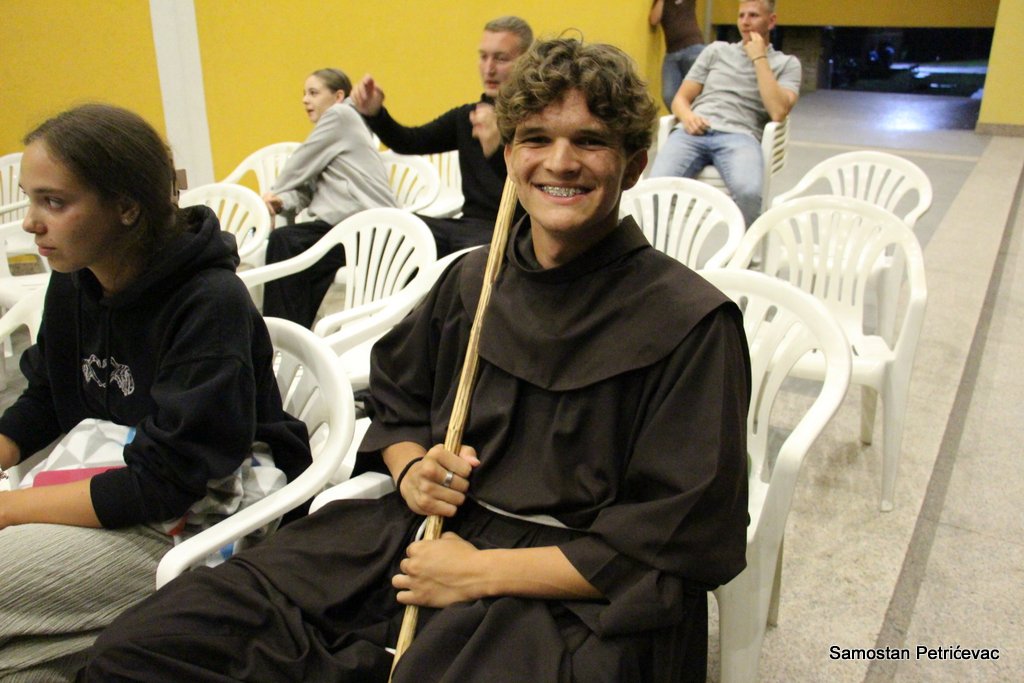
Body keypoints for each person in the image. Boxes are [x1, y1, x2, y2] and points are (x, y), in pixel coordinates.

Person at [81, 37, 750, 682]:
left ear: (633, 164)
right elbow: (397, 404)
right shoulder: (472, 283)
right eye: (536, 139)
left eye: (590, 141)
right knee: (158, 645)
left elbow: (679, 536)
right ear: (510, 155)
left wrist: (481, 573)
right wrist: (412, 470)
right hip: (419, 535)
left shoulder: (690, 323)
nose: (560, 162)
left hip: (571, 591)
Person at [0, 104, 311, 678]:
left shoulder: (208, 302)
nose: (31, 224)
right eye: (29, 200)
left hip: (198, 517)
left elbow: (166, 481)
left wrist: (9, 509)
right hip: (112, 486)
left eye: (54, 202)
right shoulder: (74, 282)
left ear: (126, 207)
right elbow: (46, 395)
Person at [351, 16, 532, 257]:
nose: (489, 68)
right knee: (390, 231)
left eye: (501, 58)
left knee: (474, 253)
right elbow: (409, 141)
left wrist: (499, 151)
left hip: (512, 230)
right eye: (483, 57)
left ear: (526, 62)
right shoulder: (468, 116)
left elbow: (533, 192)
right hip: (466, 226)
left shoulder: (536, 122)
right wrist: (375, 113)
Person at [262, 67, 397, 329]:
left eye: (313, 93)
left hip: (368, 229)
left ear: (338, 96)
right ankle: (292, 335)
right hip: (348, 227)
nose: (305, 100)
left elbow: (299, 163)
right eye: (304, 94)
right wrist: (283, 201)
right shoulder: (338, 133)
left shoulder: (340, 115)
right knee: (293, 248)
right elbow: (308, 186)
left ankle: (280, 338)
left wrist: (273, 192)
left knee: (285, 242)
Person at [649, 0, 801, 227]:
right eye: (741, 16)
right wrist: (688, 117)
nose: (745, 22)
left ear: (771, 21)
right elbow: (680, 99)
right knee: (653, 190)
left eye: (753, 15)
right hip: (693, 131)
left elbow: (778, 111)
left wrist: (759, 58)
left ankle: (745, 249)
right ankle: (661, 246)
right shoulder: (716, 51)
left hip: (740, 136)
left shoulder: (786, 64)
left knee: (749, 194)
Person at [650, 0, 706, 110]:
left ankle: (697, 116)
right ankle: (684, 117)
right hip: (672, 52)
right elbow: (653, 20)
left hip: (693, 47)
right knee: (669, 95)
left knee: (697, 91)